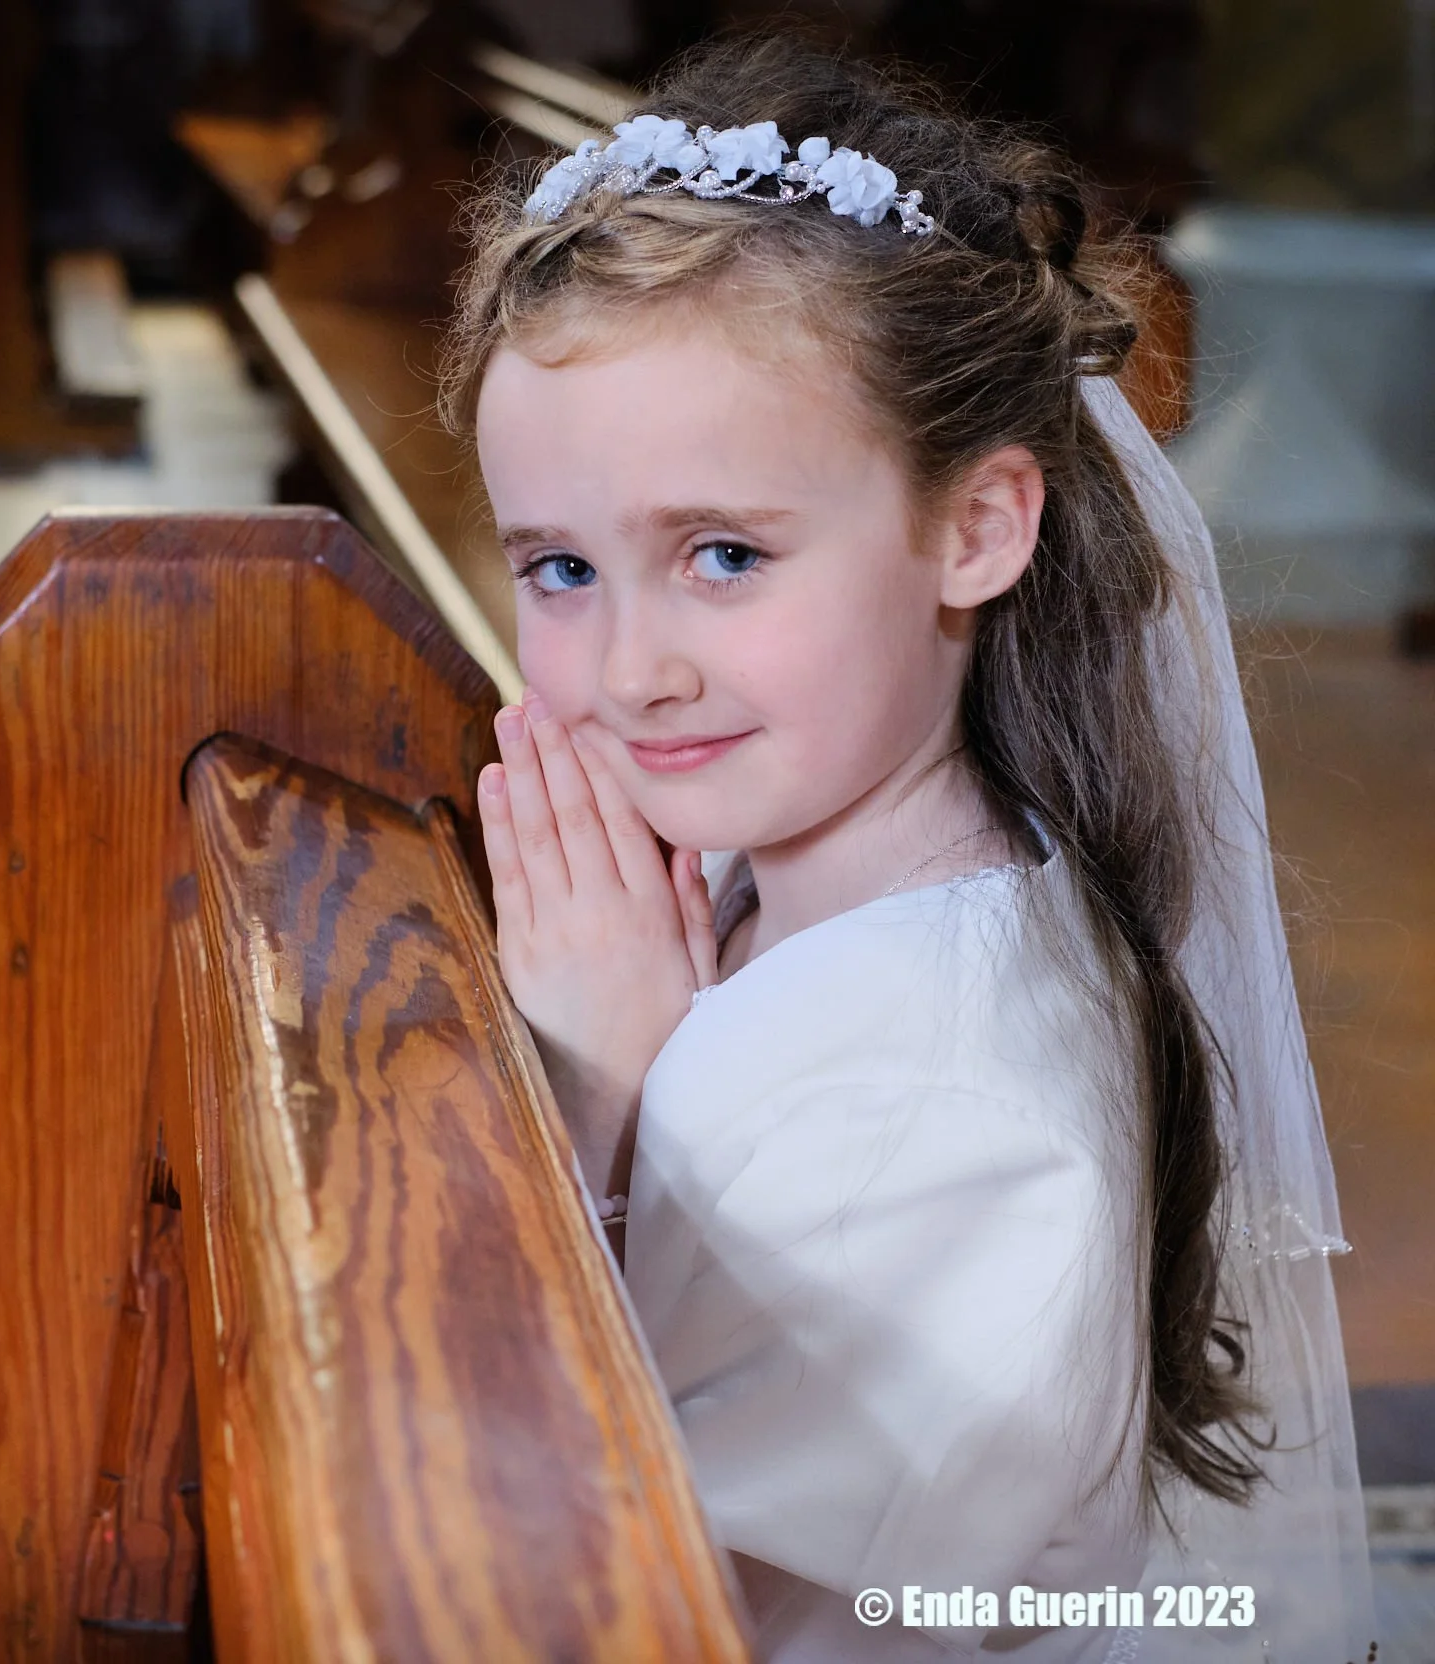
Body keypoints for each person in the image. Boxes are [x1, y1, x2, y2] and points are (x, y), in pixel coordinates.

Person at [441, 34, 1373, 1664]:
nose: (631, 667)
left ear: (977, 528)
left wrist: (590, 1089)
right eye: (560, 569)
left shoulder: (904, 1101)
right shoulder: (853, 858)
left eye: (722, 554)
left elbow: (592, 1597)